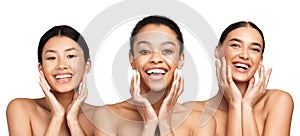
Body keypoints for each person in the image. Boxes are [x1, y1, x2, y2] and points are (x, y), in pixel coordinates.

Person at [93, 15, 216, 136]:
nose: (156, 59)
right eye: (145, 51)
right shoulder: (107, 116)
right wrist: (149, 125)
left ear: (180, 60)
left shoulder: (202, 120)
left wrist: (164, 123)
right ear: (132, 60)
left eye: (167, 51)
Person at [184, 21, 294, 136]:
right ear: (218, 51)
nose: (244, 55)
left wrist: (246, 107)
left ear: (260, 60)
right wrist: (235, 105)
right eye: (235, 45)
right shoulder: (191, 112)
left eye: (254, 49)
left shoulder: (277, 101)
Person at [6, 25, 95, 136]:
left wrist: (73, 121)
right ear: (41, 68)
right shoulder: (21, 108)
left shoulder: (100, 117)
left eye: (71, 56)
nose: (62, 65)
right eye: (51, 58)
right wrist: (57, 118)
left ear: (87, 66)